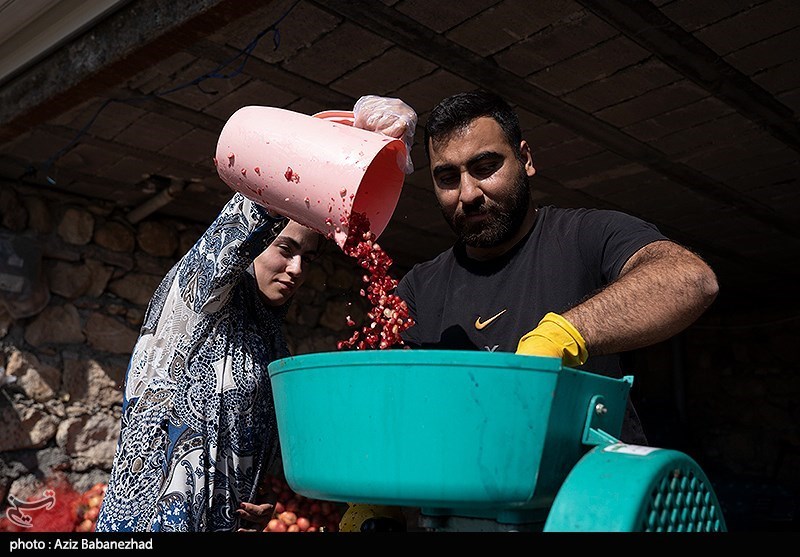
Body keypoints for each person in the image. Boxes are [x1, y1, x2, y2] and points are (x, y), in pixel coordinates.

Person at [95, 95, 418, 532]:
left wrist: (257, 504)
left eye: (308, 258)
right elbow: (247, 214)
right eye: (285, 249)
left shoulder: (270, 340)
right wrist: (334, 149)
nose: (297, 269)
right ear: (250, 248)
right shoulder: (197, 298)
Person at [394, 90, 720, 446]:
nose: (468, 193)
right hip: (468, 478)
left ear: (525, 159)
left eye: (485, 167)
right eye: (447, 178)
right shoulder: (419, 288)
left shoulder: (584, 234)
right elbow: (389, 398)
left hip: (591, 477)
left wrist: (560, 336)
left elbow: (690, 279)